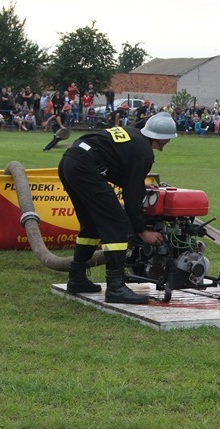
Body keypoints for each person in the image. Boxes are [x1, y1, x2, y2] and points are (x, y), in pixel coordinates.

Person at [56, 112, 177, 304]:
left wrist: (138, 185)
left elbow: (118, 170)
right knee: (118, 223)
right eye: (168, 139)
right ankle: (116, 287)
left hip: (69, 161)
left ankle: (76, 278)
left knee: (91, 225)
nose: (168, 143)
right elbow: (131, 197)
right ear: (162, 139)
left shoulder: (133, 136)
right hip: (85, 167)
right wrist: (143, 231)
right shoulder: (144, 152)